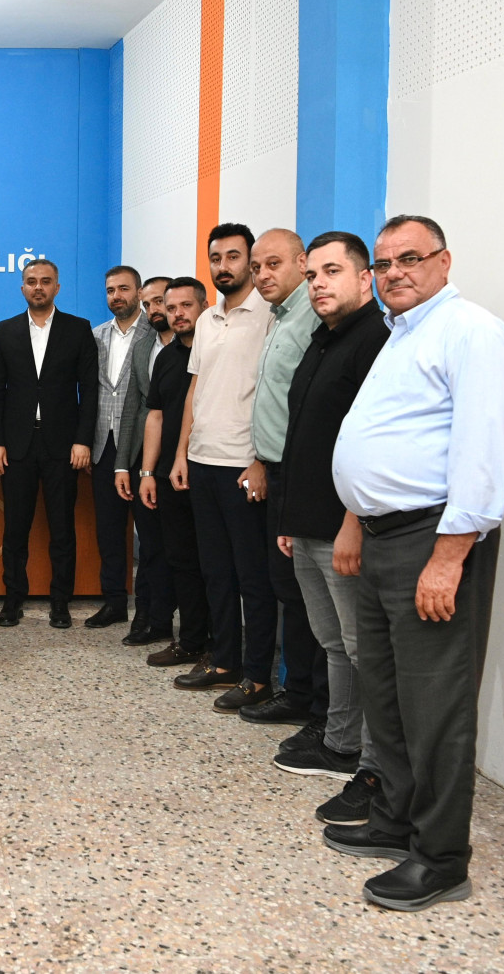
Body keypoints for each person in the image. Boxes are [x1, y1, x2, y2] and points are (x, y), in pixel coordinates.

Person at [324, 215, 504, 912]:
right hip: (382, 539)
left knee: (436, 707)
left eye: (410, 258)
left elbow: (481, 452)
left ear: (444, 261)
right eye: (384, 263)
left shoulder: (471, 331)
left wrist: (449, 556)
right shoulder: (404, 333)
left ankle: (440, 859)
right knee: (387, 695)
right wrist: (355, 519)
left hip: (430, 541)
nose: (394, 272)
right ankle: (396, 820)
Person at [272, 231, 389, 825]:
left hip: (343, 527)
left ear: (365, 278)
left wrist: (352, 524)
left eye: (333, 271)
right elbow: (305, 435)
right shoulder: (324, 338)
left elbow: (371, 447)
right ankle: (340, 742)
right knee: (333, 642)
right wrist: (290, 516)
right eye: (313, 273)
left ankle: (372, 762)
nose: (319, 283)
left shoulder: (375, 341)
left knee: (360, 647)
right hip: (308, 522)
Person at [167, 223, 279, 711]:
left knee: (252, 576)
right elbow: (196, 388)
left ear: (249, 262)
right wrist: (181, 454)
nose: (223, 266)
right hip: (202, 461)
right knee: (216, 571)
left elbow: (274, 393)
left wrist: (260, 460)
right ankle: (224, 661)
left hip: (242, 467)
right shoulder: (209, 319)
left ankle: (258, 675)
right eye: (216, 258)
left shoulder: (270, 316)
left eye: (233, 257)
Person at [239, 228, 328, 728]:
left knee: (303, 593)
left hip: (300, 475)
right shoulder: (281, 317)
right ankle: (298, 693)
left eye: (273, 264)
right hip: (275, 469)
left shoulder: (312, 317)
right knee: (288, 587)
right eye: (257, 267)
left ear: (301, 262)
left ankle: (312, 702)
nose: (262, 275)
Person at [0, 259, 99, 629]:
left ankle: (60, 602)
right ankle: (12, 599)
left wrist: (83, 440)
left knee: (62, 529)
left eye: (46, 281)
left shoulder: (78, 329)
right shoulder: (5, 330)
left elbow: (90, 390)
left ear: (57, 287)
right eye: (32, 281)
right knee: (15, 529)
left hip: (63, 447)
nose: (38, 287)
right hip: (16, 446)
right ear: (22, 288)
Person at [116, 278, 213, 670]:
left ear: (204, 306)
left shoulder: (216, 350)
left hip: (207, 470)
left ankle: (219, 646)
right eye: (171, 309)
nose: (177, 314)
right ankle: (189, 641)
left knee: (213, 564)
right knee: (180, 560)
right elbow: (153, 416)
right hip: (167, 476)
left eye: (184, 306)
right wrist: (147, 471)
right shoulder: (166, 357)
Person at [88, 267, 176, 643]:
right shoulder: (95, 336)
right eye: (110, 290)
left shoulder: (155, 332)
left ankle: (148, 610)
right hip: (103, 445)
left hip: (145, 449)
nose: (116, 296)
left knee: (150, 537)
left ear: (137, 292)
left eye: (124, 289)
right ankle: (113, 602)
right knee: (109, 531)